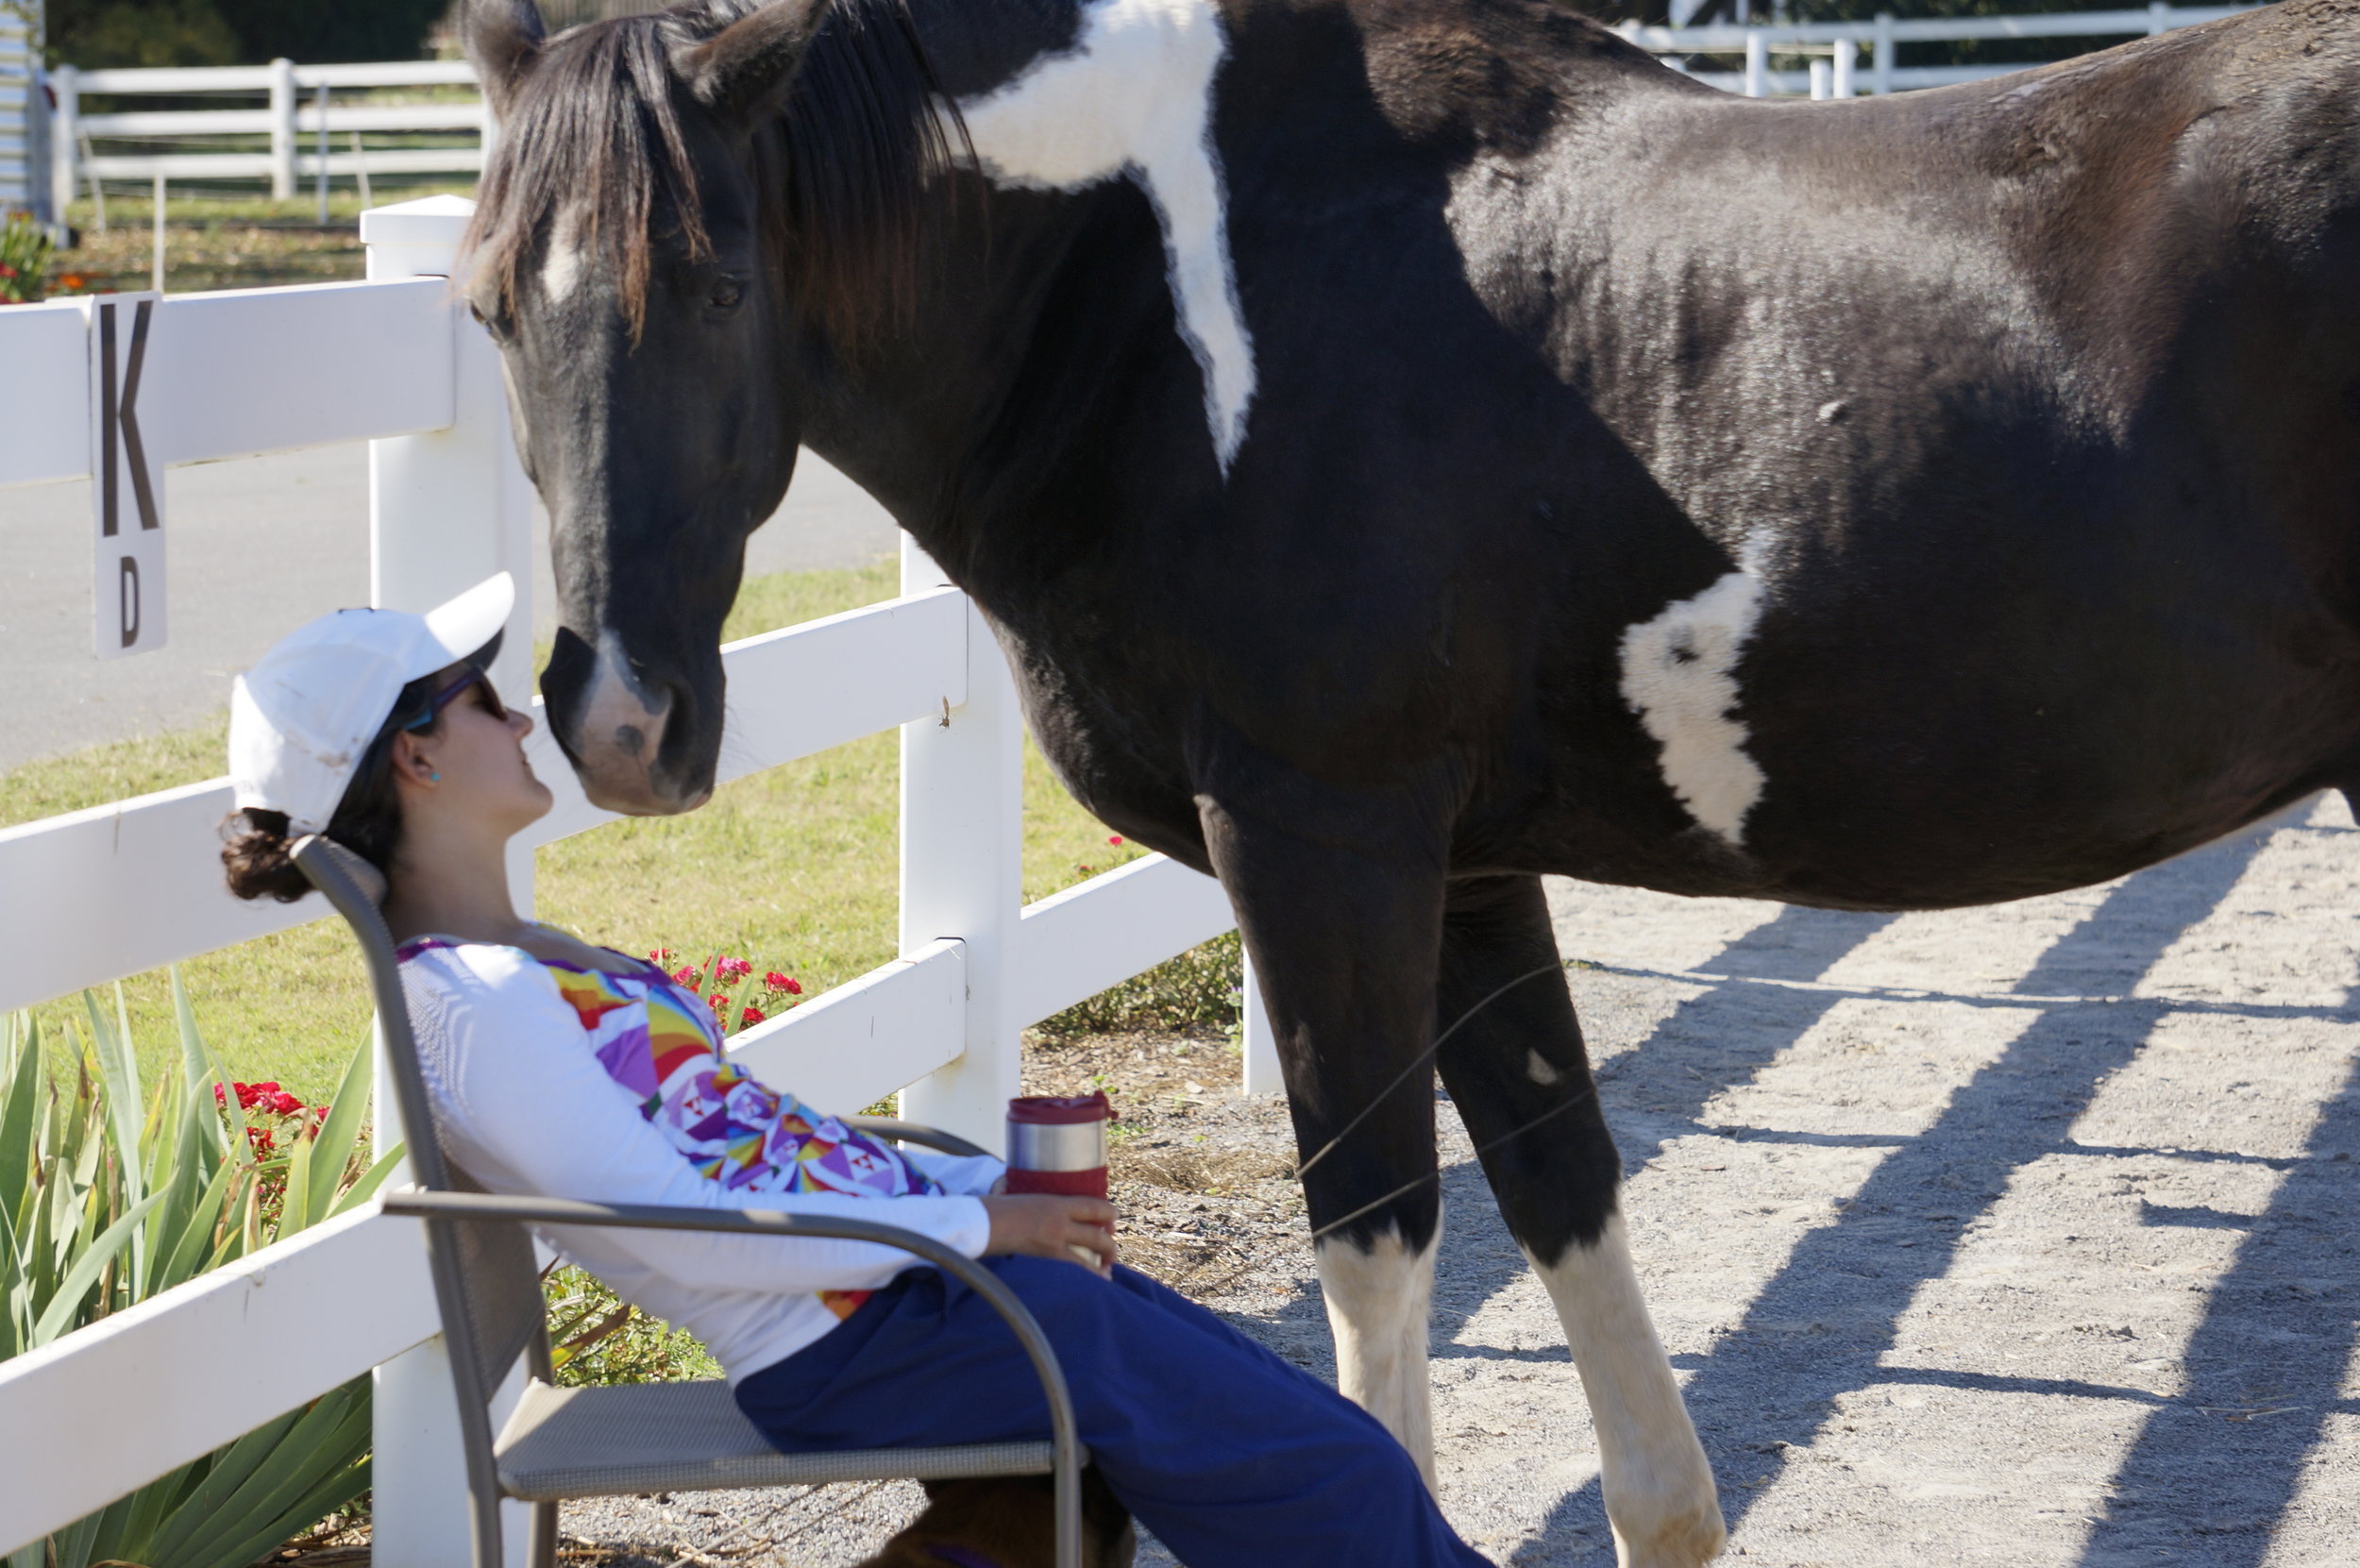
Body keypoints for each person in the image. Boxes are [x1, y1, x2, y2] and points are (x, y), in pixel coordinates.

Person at [220, 575, 1488, 1568]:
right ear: (416, 759)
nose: (515, 713)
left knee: (1311, 1439)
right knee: (1326, 1470)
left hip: (908, 1289)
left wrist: (978, 1207)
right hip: (852, 1333)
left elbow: (732, 1154)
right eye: (478, 698)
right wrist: (977, 1217)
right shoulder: (476, 1005)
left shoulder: (513, 965)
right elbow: (695, 1230)